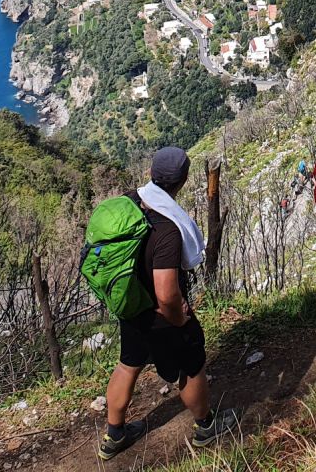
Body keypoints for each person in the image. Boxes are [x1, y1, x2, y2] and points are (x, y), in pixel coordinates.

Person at [100, 147, 231, 461]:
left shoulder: (130, 201)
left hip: (130, 302)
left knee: (128, 362)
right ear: (183, 181)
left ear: (151, 173)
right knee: (190, 364)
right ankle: (205, 426)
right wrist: (179, 319)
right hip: (159, 314)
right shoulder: (167, 229)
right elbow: (167, 292)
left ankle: (114, 435)